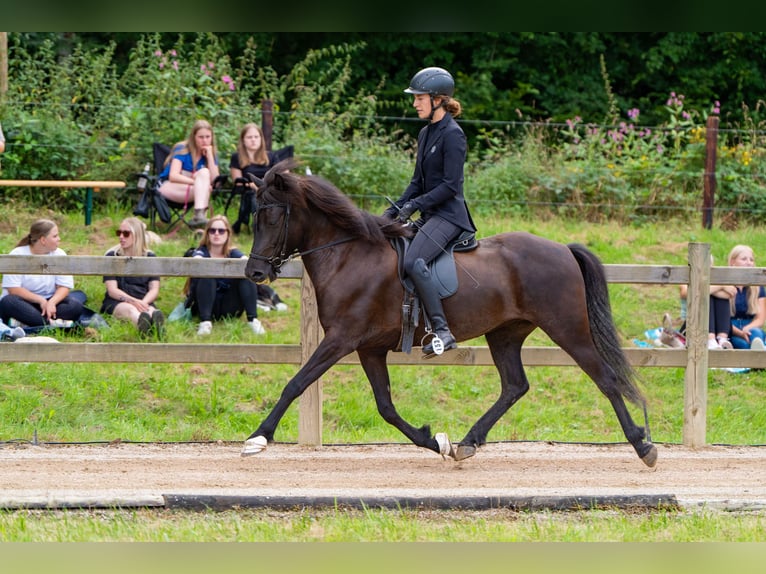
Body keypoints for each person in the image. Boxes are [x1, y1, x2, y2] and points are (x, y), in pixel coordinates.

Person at [383, 66, 476, 356]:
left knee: (414, 261)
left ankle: (442, 330)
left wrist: (415, 205)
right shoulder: (425, 133)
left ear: (438, 99)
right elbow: (417, 183)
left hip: (449, 216)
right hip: (430, 214)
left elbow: (450, 186)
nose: (414, 103)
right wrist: (394, 210)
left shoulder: (453, 135)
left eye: (419, 98)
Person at [184, 215, 267, 336]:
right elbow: (197, 258)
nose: (216, 234)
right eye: (212, 230)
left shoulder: (233, 252)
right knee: (207, 273)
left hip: (230, 305)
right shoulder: (201, 251)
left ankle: (253, 320)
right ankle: (205, 322)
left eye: (221, 231)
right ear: (207, 234)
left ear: (228, 234)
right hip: (206, 304)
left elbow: (244, 259)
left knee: (245, 276)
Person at [0, 219, 85, 331]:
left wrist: (51, 302)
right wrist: (41, 301)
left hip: (50, 303)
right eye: (55, 236)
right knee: (8, 302)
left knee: (75, 306)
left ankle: (29, 324)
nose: (59, 239)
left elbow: (64, 287)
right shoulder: (17, 254)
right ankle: (54, 324)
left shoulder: (60, 254)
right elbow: (13, 289)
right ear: (43, 240)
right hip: (24, 302)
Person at [100, 217, 165, 337]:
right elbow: (112, 290)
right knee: (132, 311)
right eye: (119, 233)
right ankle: (147, 332)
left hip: (144, 299)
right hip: (118, 301)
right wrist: (135, 302)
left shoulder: (150, 257)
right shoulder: (112, 255)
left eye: (126, 234)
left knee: (151, 311)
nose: (121, 237)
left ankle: (157, 328)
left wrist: (143, 302)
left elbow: (154, 289)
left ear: (137, 236)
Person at [229, 122, 293, 234]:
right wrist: (252, 185)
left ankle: (287, 226)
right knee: (256, 197)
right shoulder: (237, 157)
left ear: (261, 139)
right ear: (243, 140)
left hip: (272, 189)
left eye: (256, 137)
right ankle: (262, 229)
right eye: (249, 137)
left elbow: (285, 174)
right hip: (251, 191)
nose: (253, 140)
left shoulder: (271, 156)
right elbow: (237, 182)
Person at [157, 119, 219, 228]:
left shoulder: (211, 153)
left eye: (208, 137)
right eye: (201, 137)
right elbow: (173, 176)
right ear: (193, 137)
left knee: (204, 173)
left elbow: (215, 180)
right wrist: (197, 183)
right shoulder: (182, 149)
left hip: (192, 191)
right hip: (169, 186)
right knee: (204, 187)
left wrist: (209, 156)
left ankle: (199, 220)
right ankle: (200, 220)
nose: (204, 140)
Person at [726, 244, 766, 350]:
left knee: (757, 334)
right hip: (731, 327)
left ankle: (759, 352)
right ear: (732, 262)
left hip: (750, 325)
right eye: (744, 259)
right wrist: (740, 332)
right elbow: (722, 319)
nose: (748, 263)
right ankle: (758, 358)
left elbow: (760, 319)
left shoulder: (757, 287)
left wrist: (747, 328)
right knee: (743, 345)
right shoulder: (725, 286)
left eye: (751, 260)